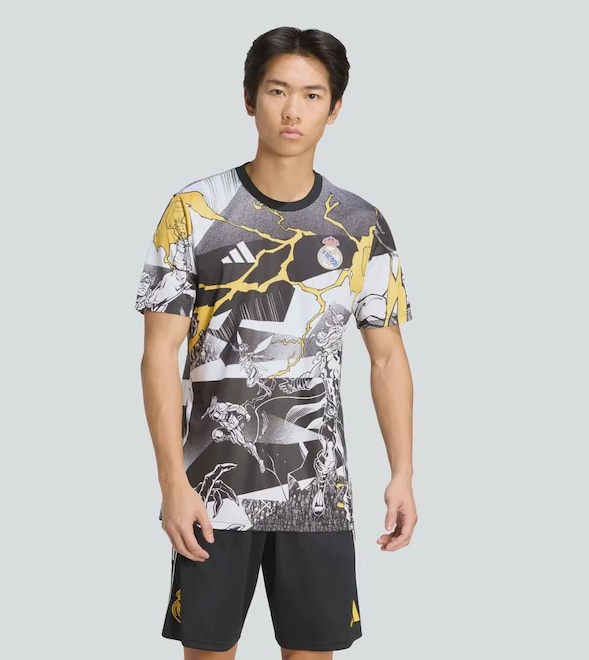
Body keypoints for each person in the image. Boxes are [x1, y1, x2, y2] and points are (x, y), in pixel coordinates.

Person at [135, 26, 417, 660]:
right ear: (249, 98)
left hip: (317, 492)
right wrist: (172, 482)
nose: (293, 110)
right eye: (277, 91)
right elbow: (158, 355)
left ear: (334, 108)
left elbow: (387, 356)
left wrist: (402, 473)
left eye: (312, 95)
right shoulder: (195, 211)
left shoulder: (361, 225)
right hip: (212, 491)